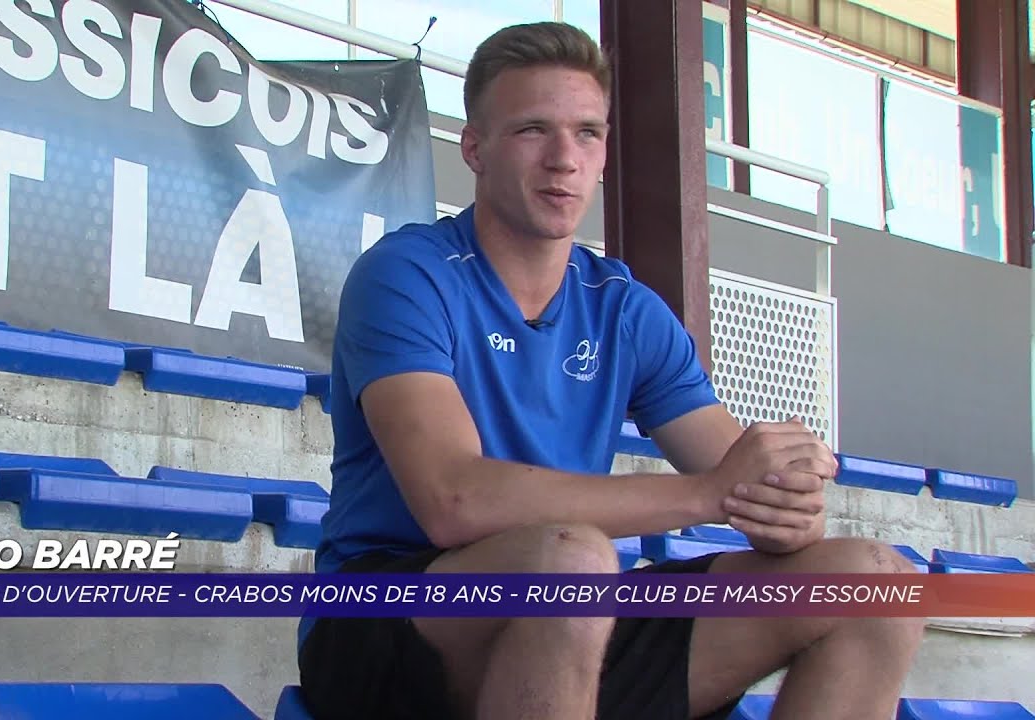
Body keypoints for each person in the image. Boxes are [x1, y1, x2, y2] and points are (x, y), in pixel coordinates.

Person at [296, 21, 924, 720]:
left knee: (877, 582)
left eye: (587, 133)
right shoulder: (407, 274)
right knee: (574, 563)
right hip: (388, 619)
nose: (564, 159)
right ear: (475, 148)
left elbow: (745, 485)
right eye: (533, 130)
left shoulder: (625, 310)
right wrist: (709, 494)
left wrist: (786, 500)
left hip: (573, 617)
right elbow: (454, 502)